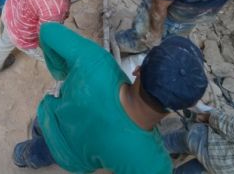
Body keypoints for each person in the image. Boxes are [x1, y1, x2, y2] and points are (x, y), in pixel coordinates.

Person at [12, 23, 208, 173]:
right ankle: (26, 156)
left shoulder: (98, 62)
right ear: (178, 108)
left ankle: (20, 154)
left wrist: (61, 73)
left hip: (50, 116)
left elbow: (48, 31)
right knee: (42, 153)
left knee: (37, 138)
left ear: (138, 70)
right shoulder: (152, 162)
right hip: (68, 155)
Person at [163, 109, 234, 173]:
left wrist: (209, 116)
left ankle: (153, 152)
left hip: (216, 151)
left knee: (173, 142)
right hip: (229, 169)